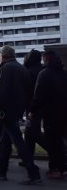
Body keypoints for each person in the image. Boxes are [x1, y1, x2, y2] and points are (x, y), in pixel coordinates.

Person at [0, 45, 41, 185]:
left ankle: (33, 172)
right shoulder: (21, 68)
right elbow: (28, 92)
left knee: (18, 143)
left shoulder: (5, 68)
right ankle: (1, 171)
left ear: (3, 56)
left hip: (7, 111)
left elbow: (0, 91)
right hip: (17, 110)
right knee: (5, 142)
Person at [29, 50, 67, 179]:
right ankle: (63, 167)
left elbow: (38, 95)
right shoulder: (64, 73)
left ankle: (55, 169)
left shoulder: (44, 74)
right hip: (64, 112)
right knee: (61, 141)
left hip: (50, 113)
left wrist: (32, 111)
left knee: (52, 142)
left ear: (47, 58)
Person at [23, 49, 47, 156]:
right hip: (43, 105)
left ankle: (58, 152)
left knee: (34, 132)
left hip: (32, 106)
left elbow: (26, 90)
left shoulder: (28, 72)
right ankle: (28, 157)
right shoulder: (42, 69)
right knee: (29, 132)